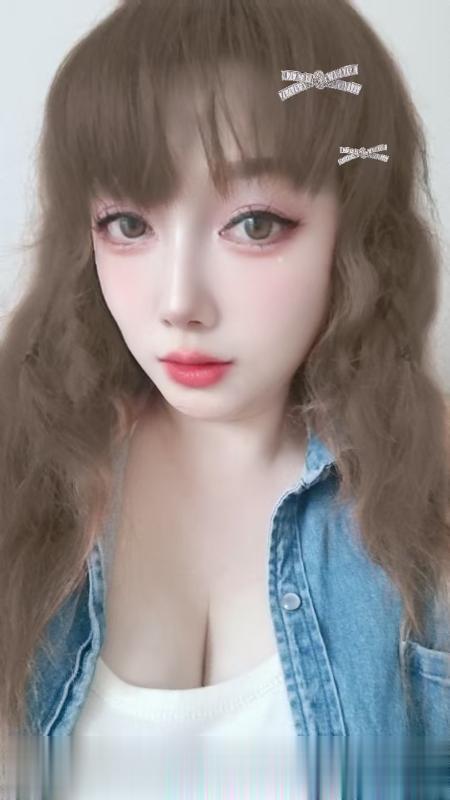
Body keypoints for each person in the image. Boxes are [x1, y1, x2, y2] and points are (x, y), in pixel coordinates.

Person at [0, 0, 449, 746]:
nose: (179, 303)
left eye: (254, 224)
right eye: (128, 224)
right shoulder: (19, 472)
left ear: (358, 234)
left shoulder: (431, 510)